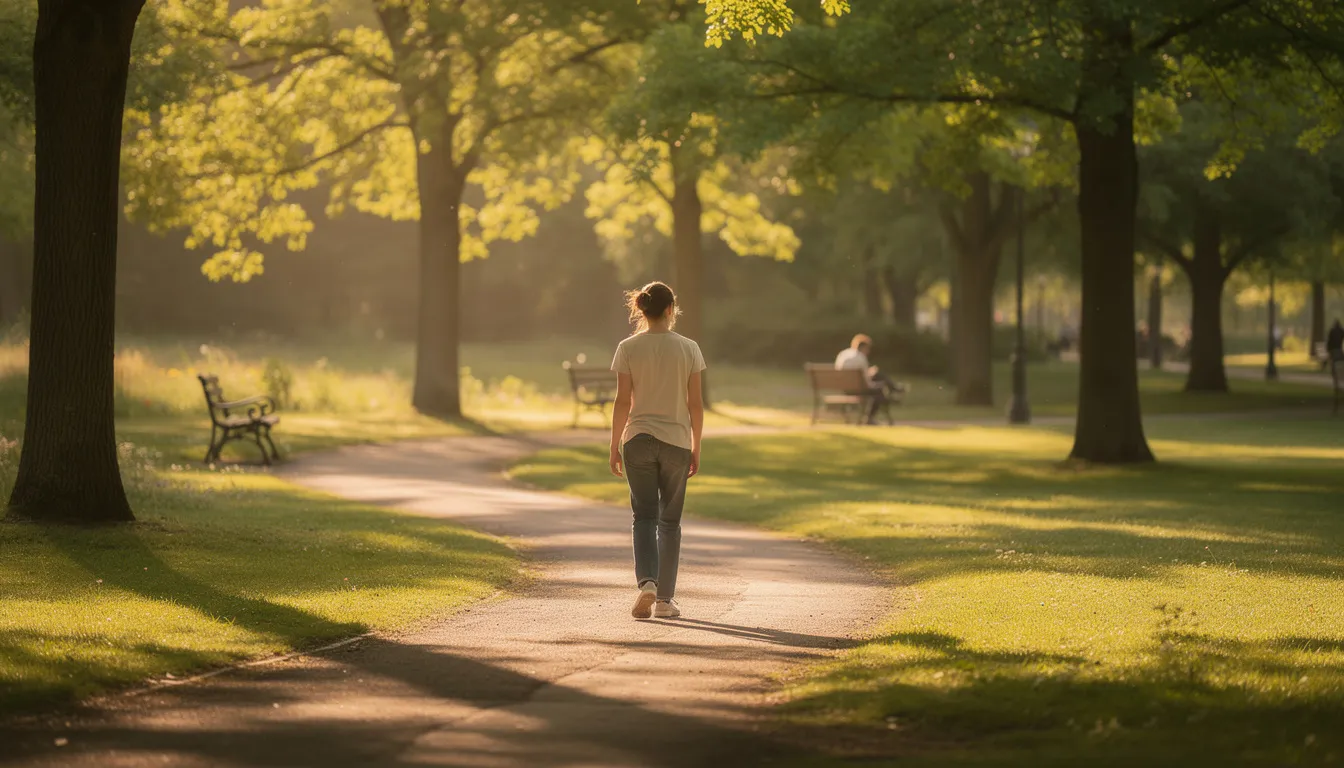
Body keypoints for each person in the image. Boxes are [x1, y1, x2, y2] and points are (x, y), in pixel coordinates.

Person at [608, 282, 705, 621]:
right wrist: (696, 446)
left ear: (642, 311)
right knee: (669, 522)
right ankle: (664, 601)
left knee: (644, 516)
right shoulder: (690, 348)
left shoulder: (627, 347)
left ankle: (647, 581)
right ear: (670, 310)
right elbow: (695, 404)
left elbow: (623, 401)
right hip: (677, 441)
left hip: (637, 440)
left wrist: (614, 445)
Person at [835, 334, 901, 425]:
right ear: (864, 347)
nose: (868, 351)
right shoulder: (861, 357)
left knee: (878, 378)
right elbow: (866, 382)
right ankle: (870, 417)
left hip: (845, 388)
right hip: (857, 389)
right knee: (880, 388)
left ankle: (892, 390)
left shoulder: (843, 354)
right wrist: (876, 383)